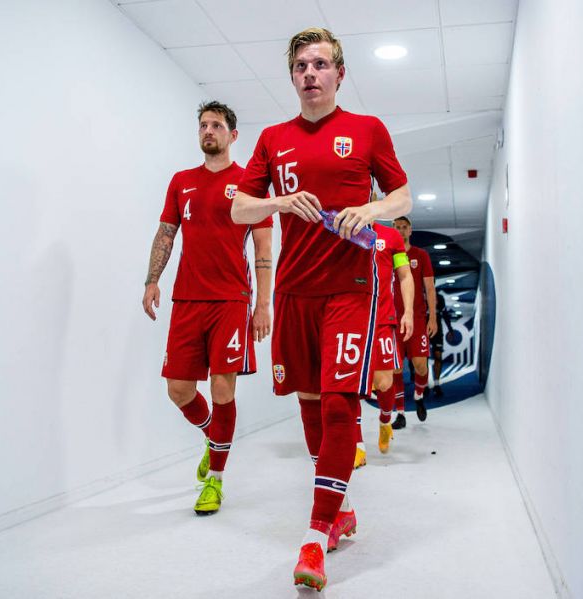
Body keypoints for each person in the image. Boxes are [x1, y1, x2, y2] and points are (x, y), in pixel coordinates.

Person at [231, 27, 411, 592]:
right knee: (310, 404)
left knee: (338, 402)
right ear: (292, 76)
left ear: (339, 73)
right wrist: (279, 201)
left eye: (321, 64)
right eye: (302, 66)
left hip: (351, 287)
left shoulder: (365, 130)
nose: (311, 73)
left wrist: (371, 208)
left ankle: (314, 535)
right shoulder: (272, 138)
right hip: (294, 291)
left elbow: (402, 195)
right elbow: (238, 209)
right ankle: (342, 506)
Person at [142, 101, 273, 516]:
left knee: (221, 389)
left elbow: (264, 250)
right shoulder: (181, 181)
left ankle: (214, 480)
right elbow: (166, 233)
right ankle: (212, 434)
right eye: (203, 125)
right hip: (186, 300)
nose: (208, 130)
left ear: (233, 135)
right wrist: (151, 280)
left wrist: (263, 305)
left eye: (216, 125)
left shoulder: (250, 186)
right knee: (178, 390)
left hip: (231, 301)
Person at [367, 221, 414, 456]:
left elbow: (404, 275)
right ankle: (356, 445)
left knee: (384, 382)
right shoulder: (340, 230)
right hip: (349, 318)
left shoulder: (391, 237)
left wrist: (409, 311)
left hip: (383, 319)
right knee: (349, 385)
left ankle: (385, 421)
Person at [391, 216, 436, 428]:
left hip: (417, 320)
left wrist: (432, 317)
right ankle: (400, 413)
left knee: (420, 365)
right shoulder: (388, 254)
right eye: (397, 227)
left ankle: (418, 396)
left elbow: (429, 288)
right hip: (392, 322)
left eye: (404, 227)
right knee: (396, 368)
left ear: (410, 230)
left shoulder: (420, 255)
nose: (400, 230)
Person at [430, 290, 455, 396]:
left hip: (437, 331)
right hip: (423, 330)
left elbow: (445, 314)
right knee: (421, 358)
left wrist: (450, 329)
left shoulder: (439, 298)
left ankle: (437, 384)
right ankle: (422, 385)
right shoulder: (420, 296)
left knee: (438, 357)